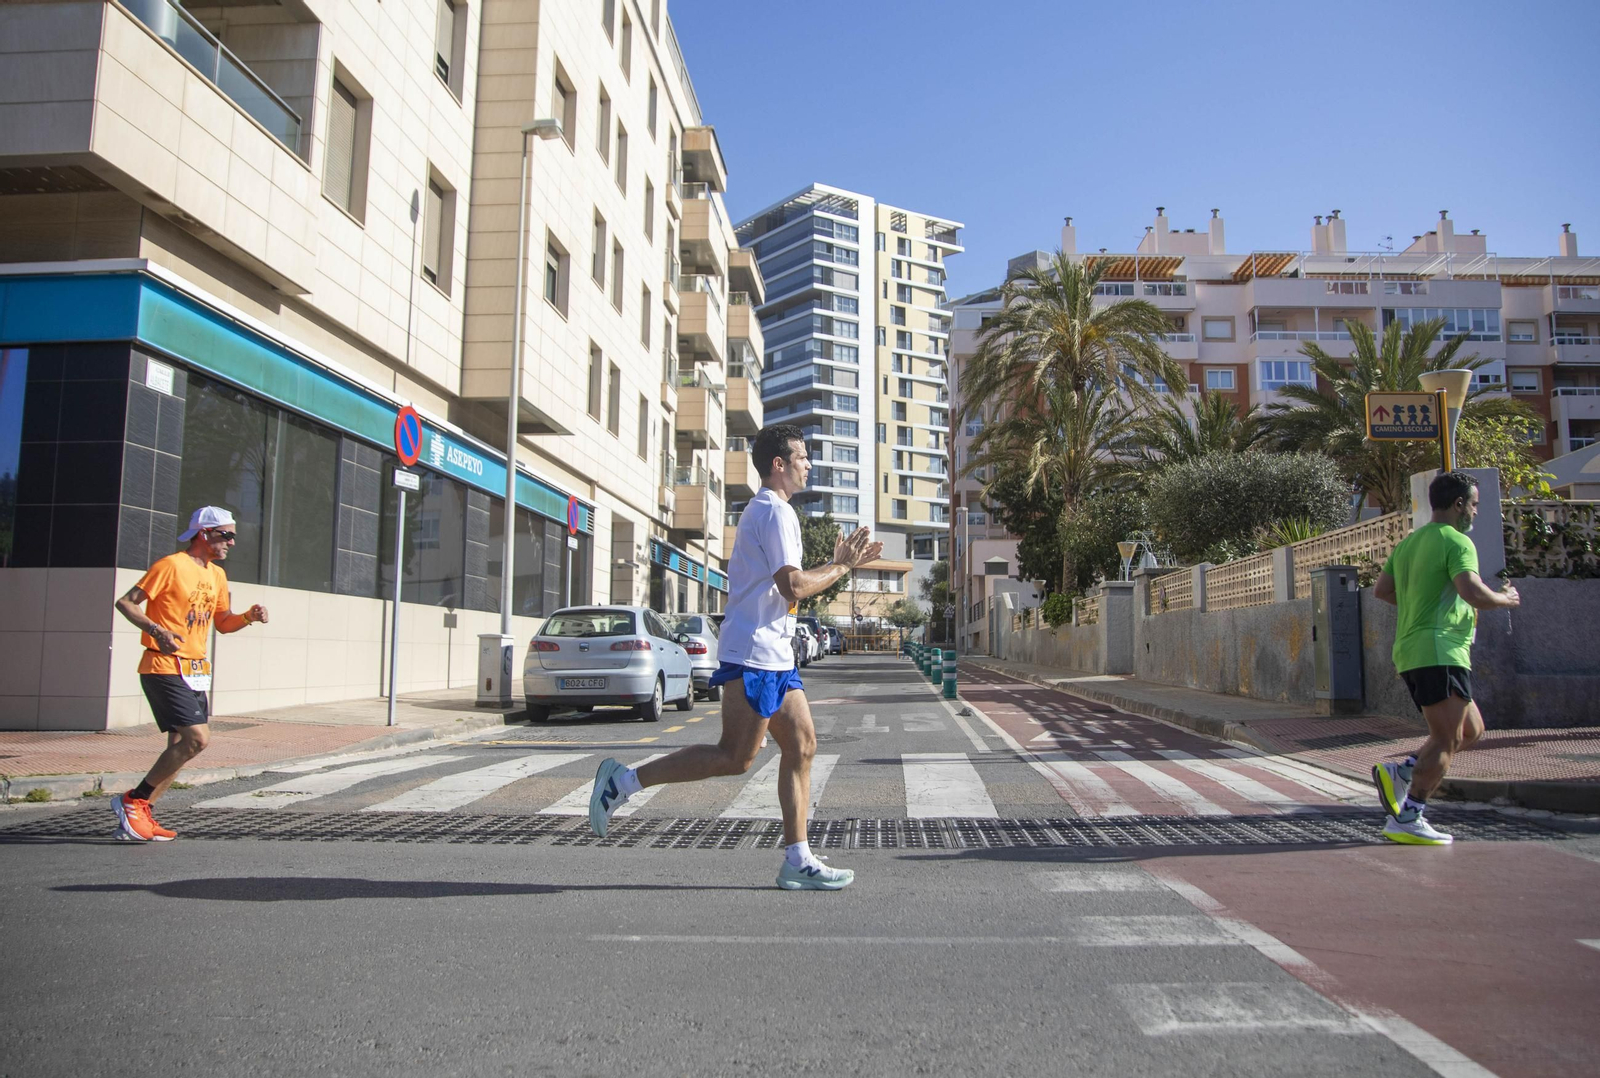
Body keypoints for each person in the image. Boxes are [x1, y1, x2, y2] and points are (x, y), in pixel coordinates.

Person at [587, 424, 882, 889]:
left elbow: (787, 587)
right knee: (735, 756)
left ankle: (797, 859)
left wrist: (836, 564)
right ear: (779, 465)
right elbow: (794, 585)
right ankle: (622, 783)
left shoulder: (771, 511)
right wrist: (842, 565)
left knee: (802, 745)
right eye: (803, 457)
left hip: (775, 656)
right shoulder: (774, 513)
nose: (810, 464)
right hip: (755, 657)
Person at [1371, 471, 1518, 845]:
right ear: (1457, 505)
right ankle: (1409, 817)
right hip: (1440, 650)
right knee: (1446, 737)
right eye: (1473, 504)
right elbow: (1472, 590)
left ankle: (1403, 773)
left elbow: (1383, 590)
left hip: (1414, 650)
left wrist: (1421, 603)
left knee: (1471, 731)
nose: (1475, 512)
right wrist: (1505, 600)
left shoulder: (1409, 544)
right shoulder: (1457, 541)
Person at [110, 506, 269, 841]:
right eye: (227, 535)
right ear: (204, 533)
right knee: (198, 739)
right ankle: (133, 801)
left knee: (181, 745)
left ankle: (141, 817)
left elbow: (223, 624)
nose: (232, 543)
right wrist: (157, 630)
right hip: (163, 665)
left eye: (233, 536)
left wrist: (248, 617)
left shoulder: (217, 575)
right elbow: (127, 603)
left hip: (195, 670)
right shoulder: (170, 566)